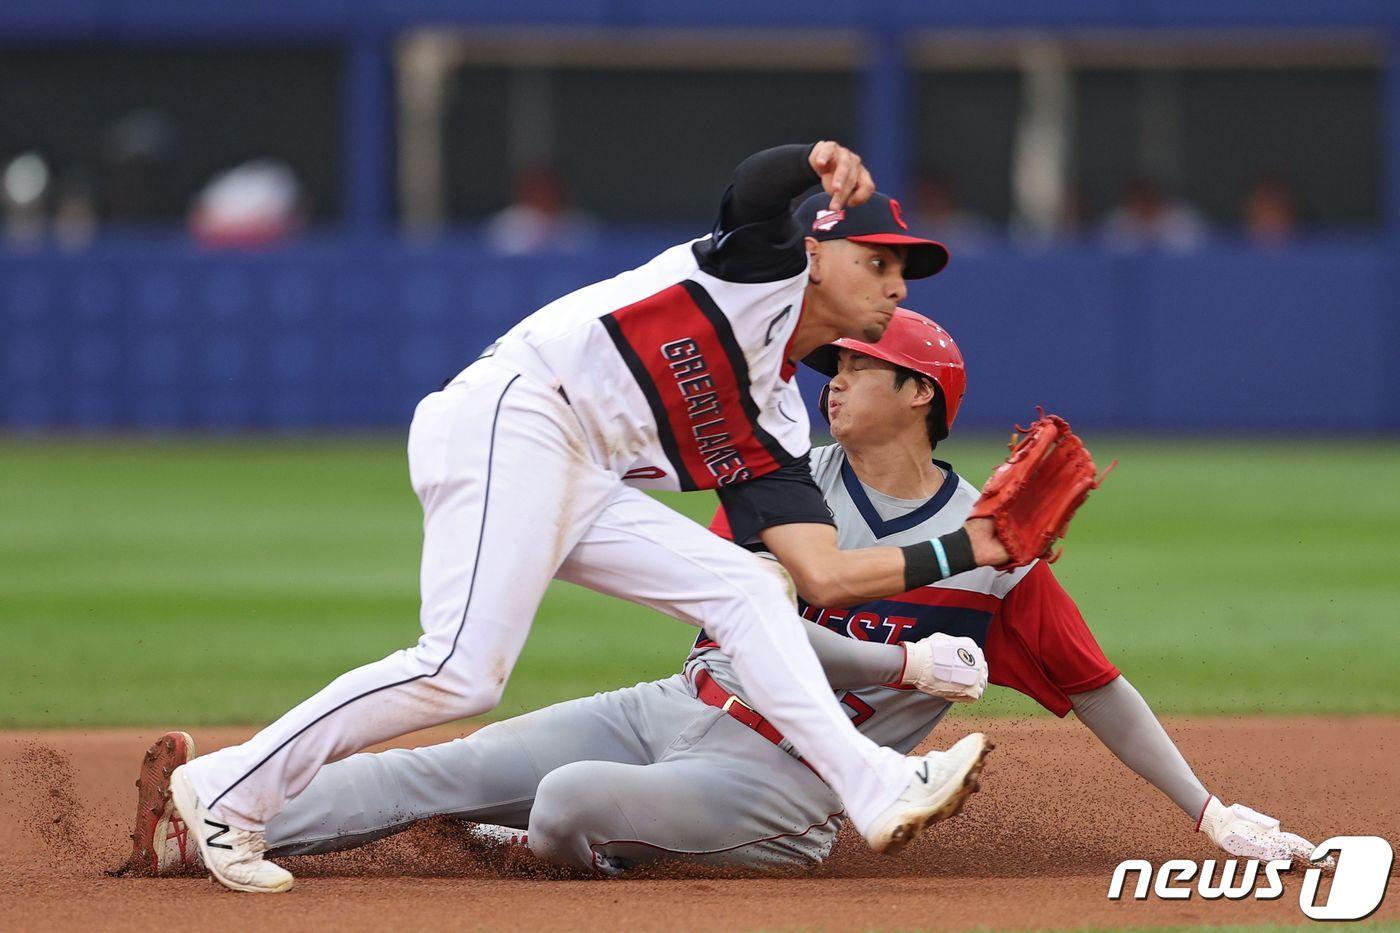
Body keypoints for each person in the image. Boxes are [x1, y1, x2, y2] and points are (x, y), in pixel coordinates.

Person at [128, 309, 1321, 879]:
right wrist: (905, 668)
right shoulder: (779, 490)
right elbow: (752, 635)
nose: (835, 376)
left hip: (788, 782)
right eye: (836, 361)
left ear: (921, 396)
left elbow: (1099, 693)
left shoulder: (997, 555)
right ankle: (216, 818)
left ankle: (578, 838)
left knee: (568, 797)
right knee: (443, 762)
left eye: (862, 366)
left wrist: (1209, 815)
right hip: (678, 703)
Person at [166, 141, 1021, 894]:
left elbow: (822, 574)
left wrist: (970, 544)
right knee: (462, 671)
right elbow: (756, 190)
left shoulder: (776, 421)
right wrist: (813, 162)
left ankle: (873, 786)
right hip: (514, 415)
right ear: (821, 252)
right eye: (880, 262)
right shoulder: (762, 270)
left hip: (573, 467)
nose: (897, 286)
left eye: (903, 273)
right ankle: (230, 791)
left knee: (747, 587)